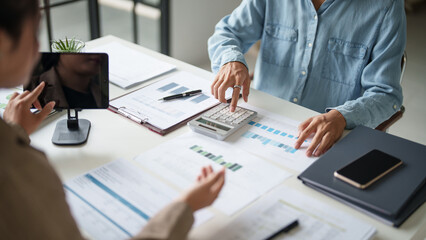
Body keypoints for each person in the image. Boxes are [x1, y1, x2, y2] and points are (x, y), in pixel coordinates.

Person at [0, 0, 225, 239]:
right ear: (3, 41)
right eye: (35, 33)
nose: (37, 48)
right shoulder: (18, 171)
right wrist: (185, 207)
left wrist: (15, 130)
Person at [208, 0, 406, 157]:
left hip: (326, 140)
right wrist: (231, 60)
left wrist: (342, 117)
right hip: (260, 122)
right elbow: (228, 32)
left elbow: (386, 94)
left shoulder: (386, 5)